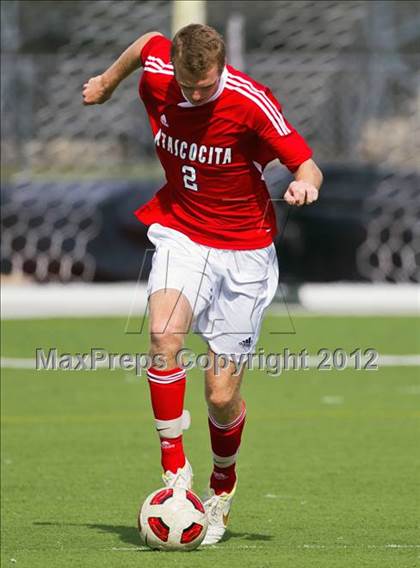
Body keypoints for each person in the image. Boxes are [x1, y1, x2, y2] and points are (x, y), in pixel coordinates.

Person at [83, 23, 323, 545]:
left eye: (205, 87)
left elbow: (306, 163)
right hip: (182, 231)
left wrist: (304, 183)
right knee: (164, 338)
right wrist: (106, 82)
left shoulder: (250, 102)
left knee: (219, 395)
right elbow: (146, 41)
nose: (194, 96)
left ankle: (222, 484)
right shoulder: (159, 70)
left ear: (221, 68)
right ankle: (175, 473)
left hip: (245, 251)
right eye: (188, 87)